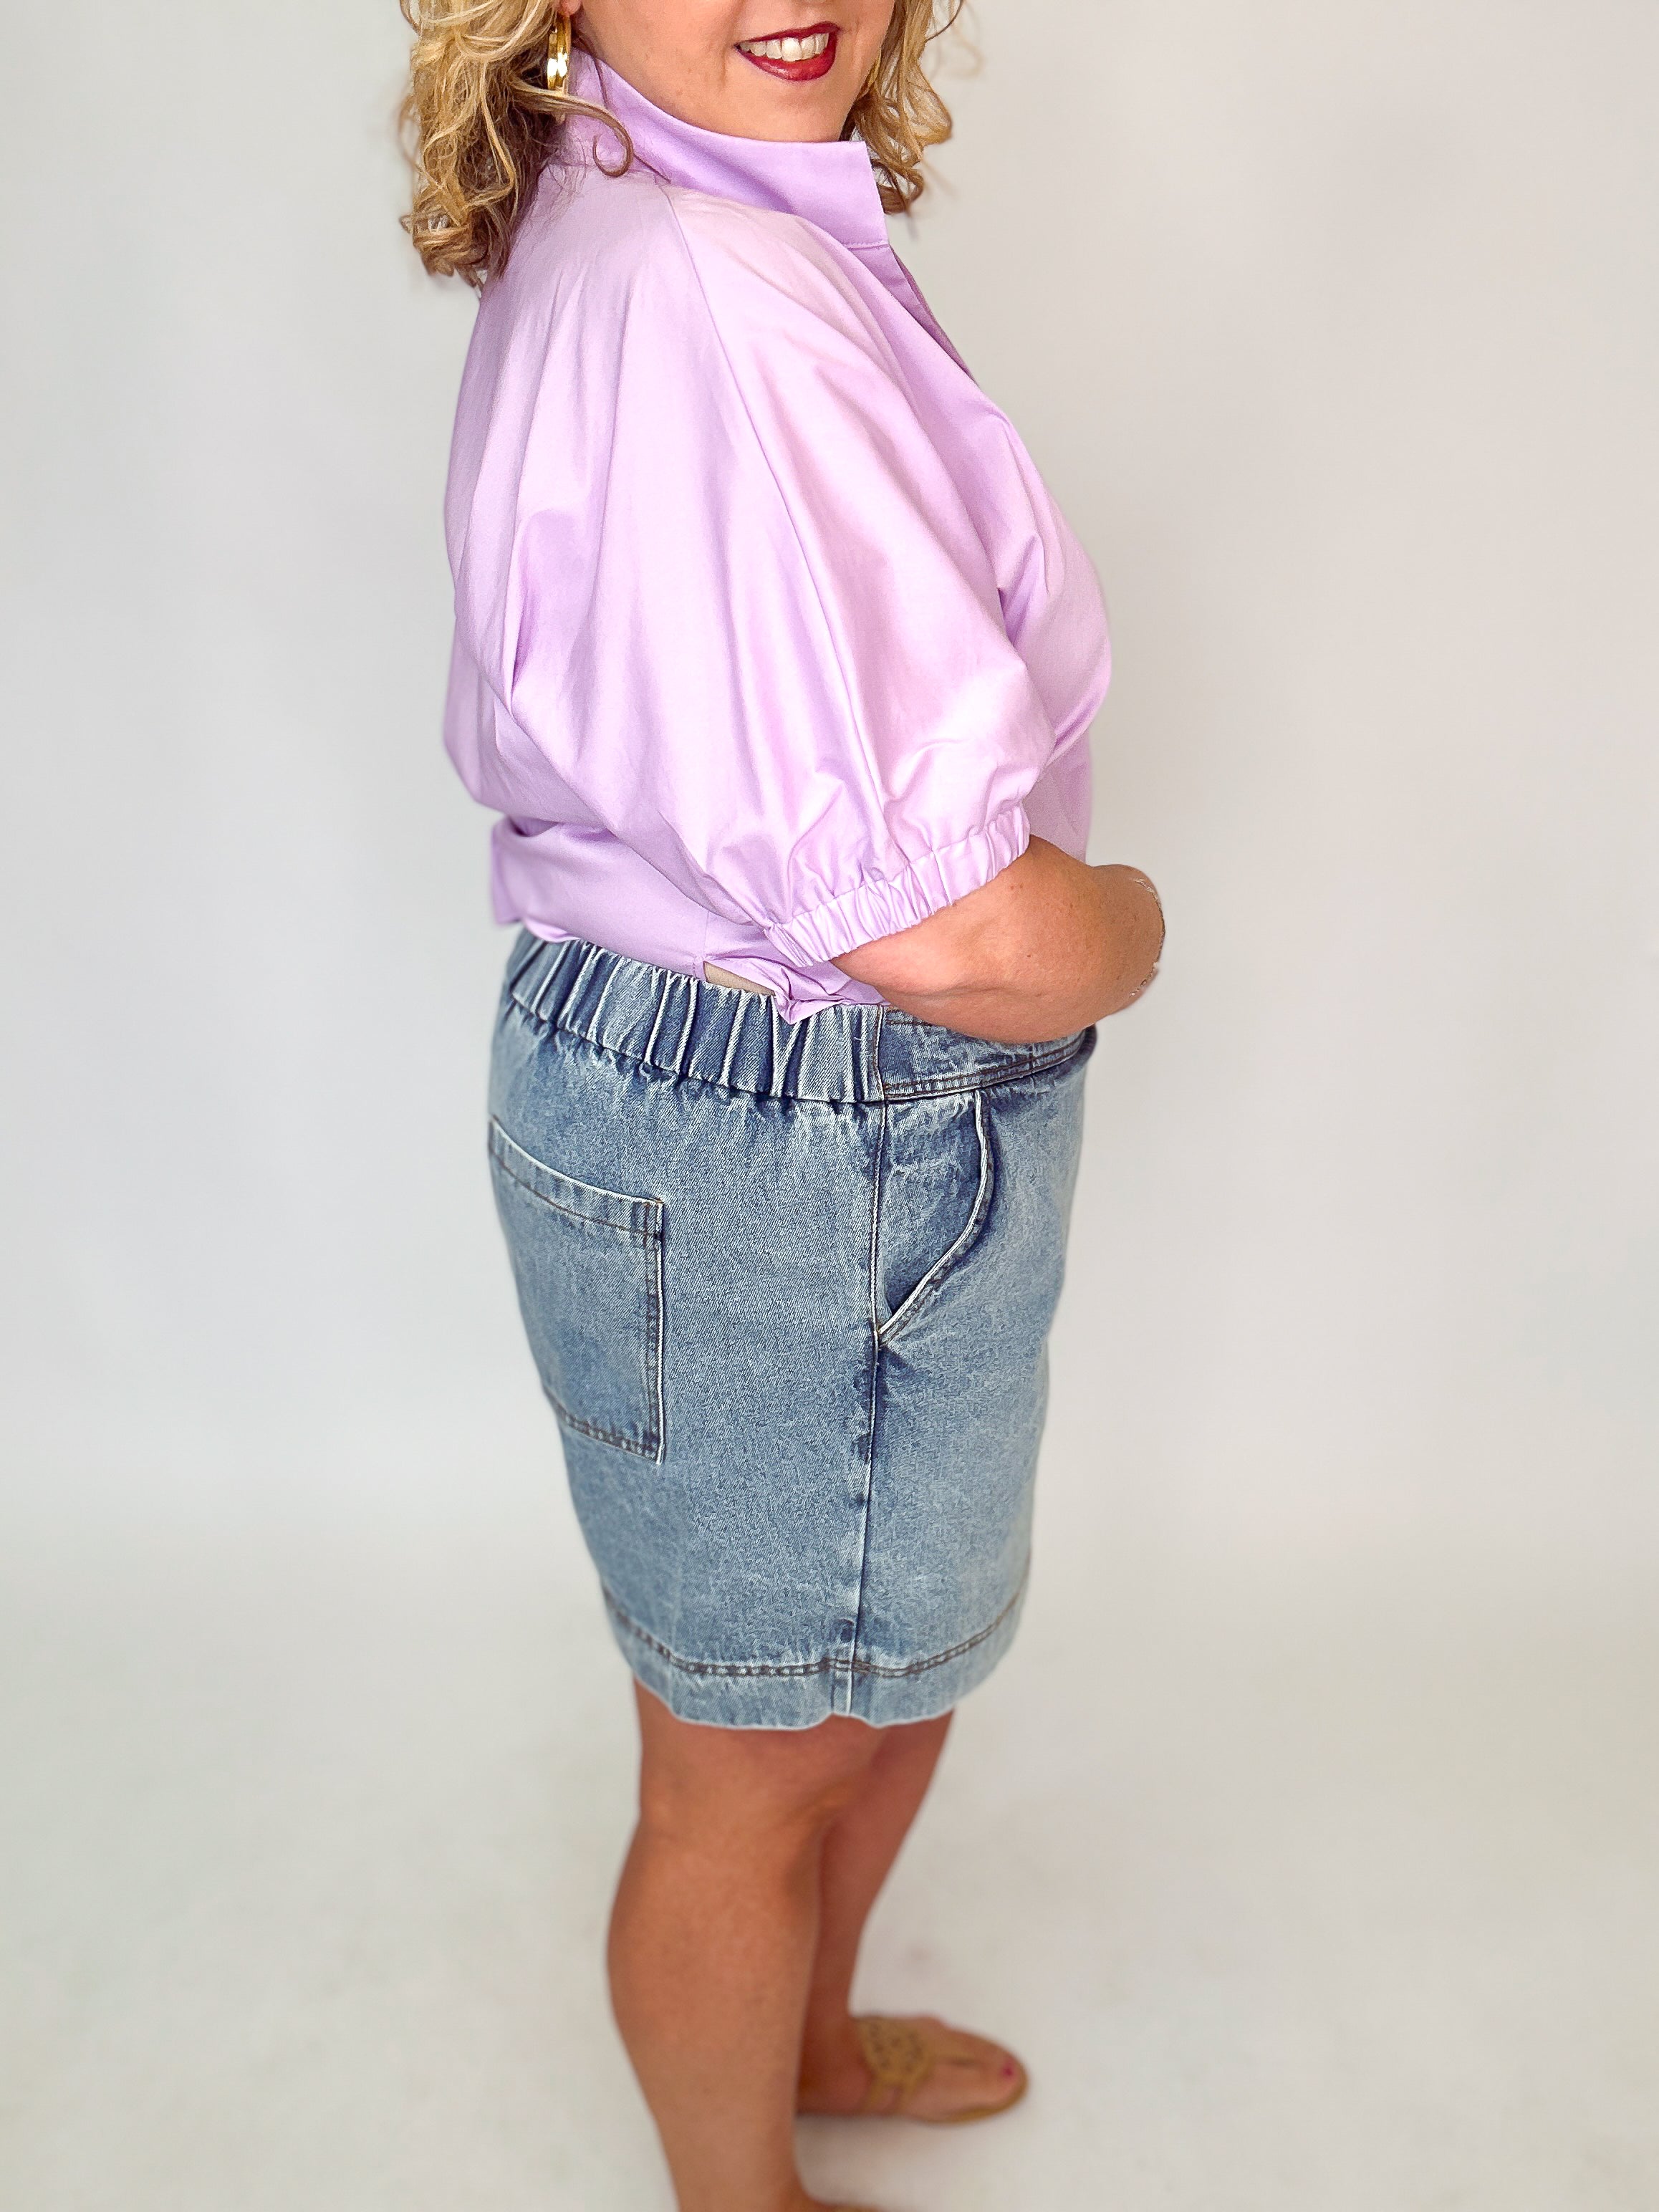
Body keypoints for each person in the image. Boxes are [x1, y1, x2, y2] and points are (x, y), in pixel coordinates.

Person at [403, 4, 1164, 2206]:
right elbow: (950, 927)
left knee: (877, 1679)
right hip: (787, 1129)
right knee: (749, 1766)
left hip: (752, 1102)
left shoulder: (655, 202)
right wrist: (1128, 929)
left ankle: (807, 2043)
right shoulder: (713, 298)